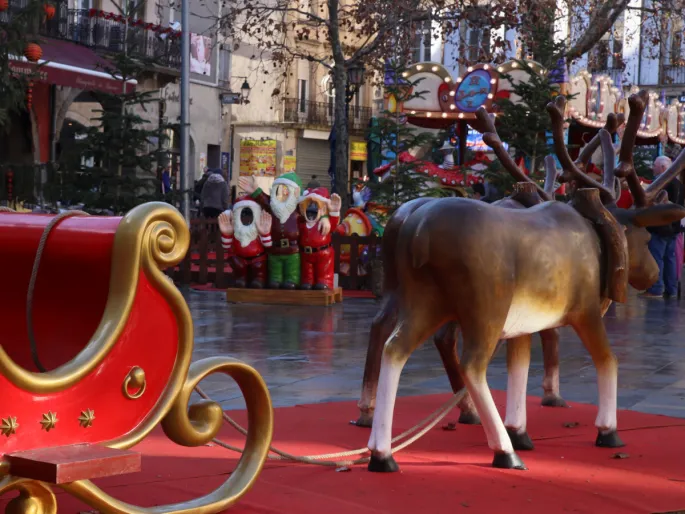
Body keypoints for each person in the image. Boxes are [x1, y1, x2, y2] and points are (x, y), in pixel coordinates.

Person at [641, 156, 685, 299]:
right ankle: (671, 289)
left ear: (663, 168)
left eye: (655, 165)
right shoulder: (679, 184)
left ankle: (656, 289)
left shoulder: (662, 183)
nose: (652, 168)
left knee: (657, 258)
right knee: (670, 258)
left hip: (660, 227)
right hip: (673, 228)